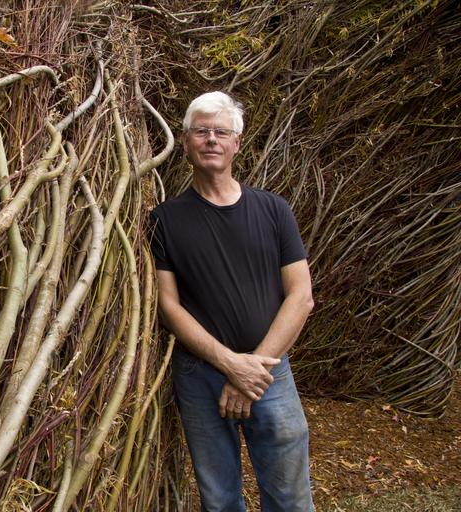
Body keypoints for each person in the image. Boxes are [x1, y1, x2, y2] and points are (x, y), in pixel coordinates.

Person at [150, 91, 315, 512]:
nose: (211, 139)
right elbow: (169, 306)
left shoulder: (274, 210)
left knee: (290, 499)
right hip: (200, 375)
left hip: (270, 375)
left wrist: (252, 368)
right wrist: (229, 363)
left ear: (236, 143)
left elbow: (301, 297)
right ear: (185, 142)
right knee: (220, 499)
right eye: (201, 131)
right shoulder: (164, 220)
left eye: (221, 131)